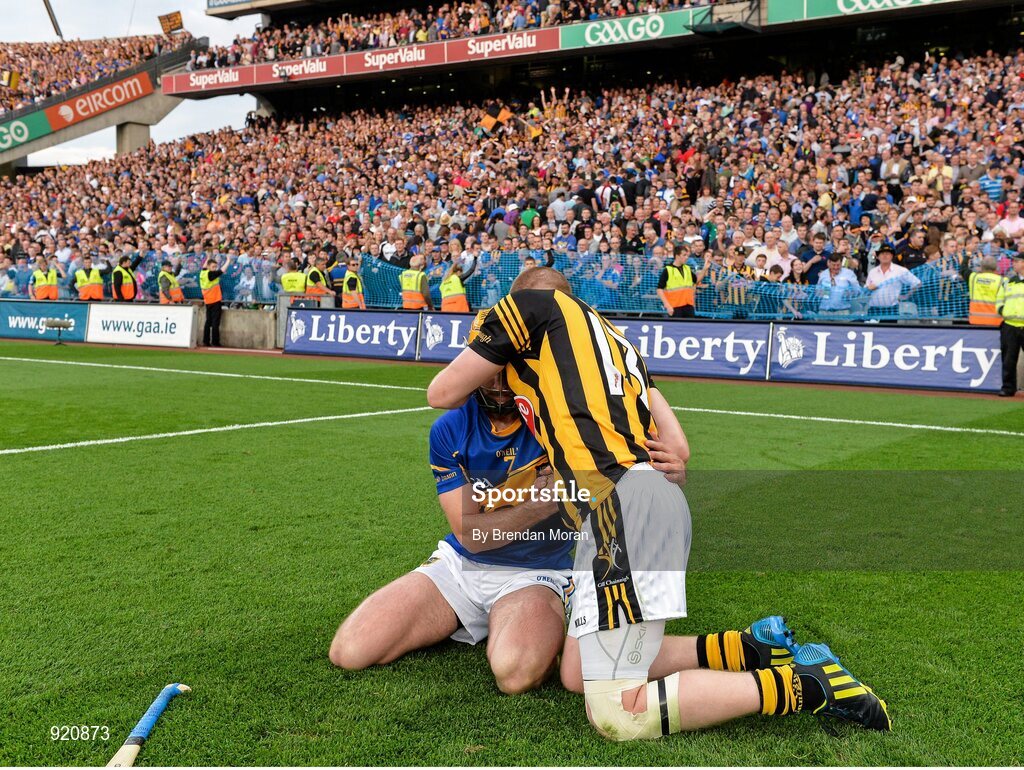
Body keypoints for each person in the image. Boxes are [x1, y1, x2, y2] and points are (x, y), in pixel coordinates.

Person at [427, 267, 890, 740]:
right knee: (574, 672)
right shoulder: (615, 339)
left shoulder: (531, 308)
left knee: (617, 715)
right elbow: (678, 449)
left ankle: (803, 686)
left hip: (622, 510)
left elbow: (440, 392)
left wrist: (499, 350)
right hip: (631, 502)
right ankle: (746, 649)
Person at [330, 330, 572, 694]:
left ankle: (530, 615)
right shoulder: (450, 428)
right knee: (350, 650)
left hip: (536, 571)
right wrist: (541, 504)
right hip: (461, 566)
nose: (498, 381)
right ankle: (501, 619)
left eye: (508, 368)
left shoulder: (561, 423)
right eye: (488, 367)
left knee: (516, 674)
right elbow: (471, 537)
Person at [995, 252, 1024, 397]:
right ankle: (1008, 387)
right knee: (1008, 358)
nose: (1014, 264)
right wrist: (1002, 310)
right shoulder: (1008, 282)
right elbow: (999, 299)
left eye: (1017, 262)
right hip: (1010, 325)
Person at [865, 245, 921, 317]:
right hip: (873, 309)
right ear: (877, 257)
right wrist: (869, 288)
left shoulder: (900, 270)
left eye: (887, 254)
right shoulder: (872, 271)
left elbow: (917, 283)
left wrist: (906, 296)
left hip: (891, 309)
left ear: (892, 256)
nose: (885, 256)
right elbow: (866, 288)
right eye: (882, 254)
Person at [200, 255, 231, 347]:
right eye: (213, 267)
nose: (214, 268)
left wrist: (208, 257)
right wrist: (228, 261)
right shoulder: (211, 274)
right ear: (209, 267)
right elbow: (222, 270)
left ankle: (206, 341)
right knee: (215, 323)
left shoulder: (203, 273)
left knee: (208, 322)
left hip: (208, 301)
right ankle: (215, 342)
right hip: (214, 300)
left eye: (215, 267)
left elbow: (204, 266)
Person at [656, 246, 696, 318]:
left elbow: (696, 280)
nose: (687, 257)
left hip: (688, 306)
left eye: (687, 255)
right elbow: (659, 289)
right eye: (684, 255)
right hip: (675, 307)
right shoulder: (668, 269)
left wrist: (705, 268)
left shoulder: (687, 268)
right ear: (677, 256)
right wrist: (667, 305)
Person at [968, 257, 1003, 327]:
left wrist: (967, 255)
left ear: (981, 267)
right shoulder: (1002, 281)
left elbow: (963, 270)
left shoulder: (973, 277)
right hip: (995, 322)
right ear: (996, 268)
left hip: (975, 321)